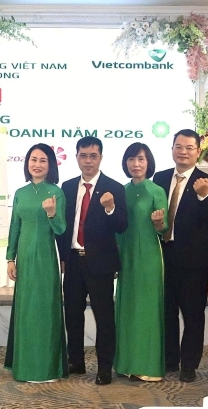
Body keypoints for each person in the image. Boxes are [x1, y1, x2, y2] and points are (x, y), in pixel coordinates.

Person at [56, 136, 128, 386]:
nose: (88, 161)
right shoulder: (66, 187)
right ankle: (75, 361)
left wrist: (110, 208)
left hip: (100, 264)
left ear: (101, 158)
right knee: (73, 314)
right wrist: (63, 257)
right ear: (77, 157)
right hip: (73, 262)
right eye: (83, 155)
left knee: (104, 317)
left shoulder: (114, 187)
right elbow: (63, 228)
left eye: (93, 156)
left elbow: (122, 225)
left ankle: (105, 367)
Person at [152, 129, 208, 383]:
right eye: (179, 146)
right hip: (162, 256)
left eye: (189, 148)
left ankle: (189, 364)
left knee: (192, 314)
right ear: (172, 149)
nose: (183, 152)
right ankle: (170, 359)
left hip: (193, 261)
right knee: (166, 311)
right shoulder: (160, 178)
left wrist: (204, 196)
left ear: (198, 152)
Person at [4, 143, 67, 382]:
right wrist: (10, 258)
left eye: (43, 160)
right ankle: (25, 367)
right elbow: (15, 227)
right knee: (26, 311)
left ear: (50, 165)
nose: (37, 164)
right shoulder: (21, 193)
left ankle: (46, 368)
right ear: (27, 163)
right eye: (33, 159)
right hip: (24, 257)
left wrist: (51, 213)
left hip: (46, 258)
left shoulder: (56, 192)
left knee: (44, 310)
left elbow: (61, 229)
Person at [114, 143, 167, 382]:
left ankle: (148, 366)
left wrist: (158, 223)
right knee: (127, 308)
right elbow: (116, 227)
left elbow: (164, 228)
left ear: (149, 163)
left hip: (149, 256)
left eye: (141, 159)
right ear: (126, 162)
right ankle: (126, 364)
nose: (136, 164)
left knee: (147, 310)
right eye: (132, 159)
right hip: (125, 256)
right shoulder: (120, 191)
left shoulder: (157, 190)